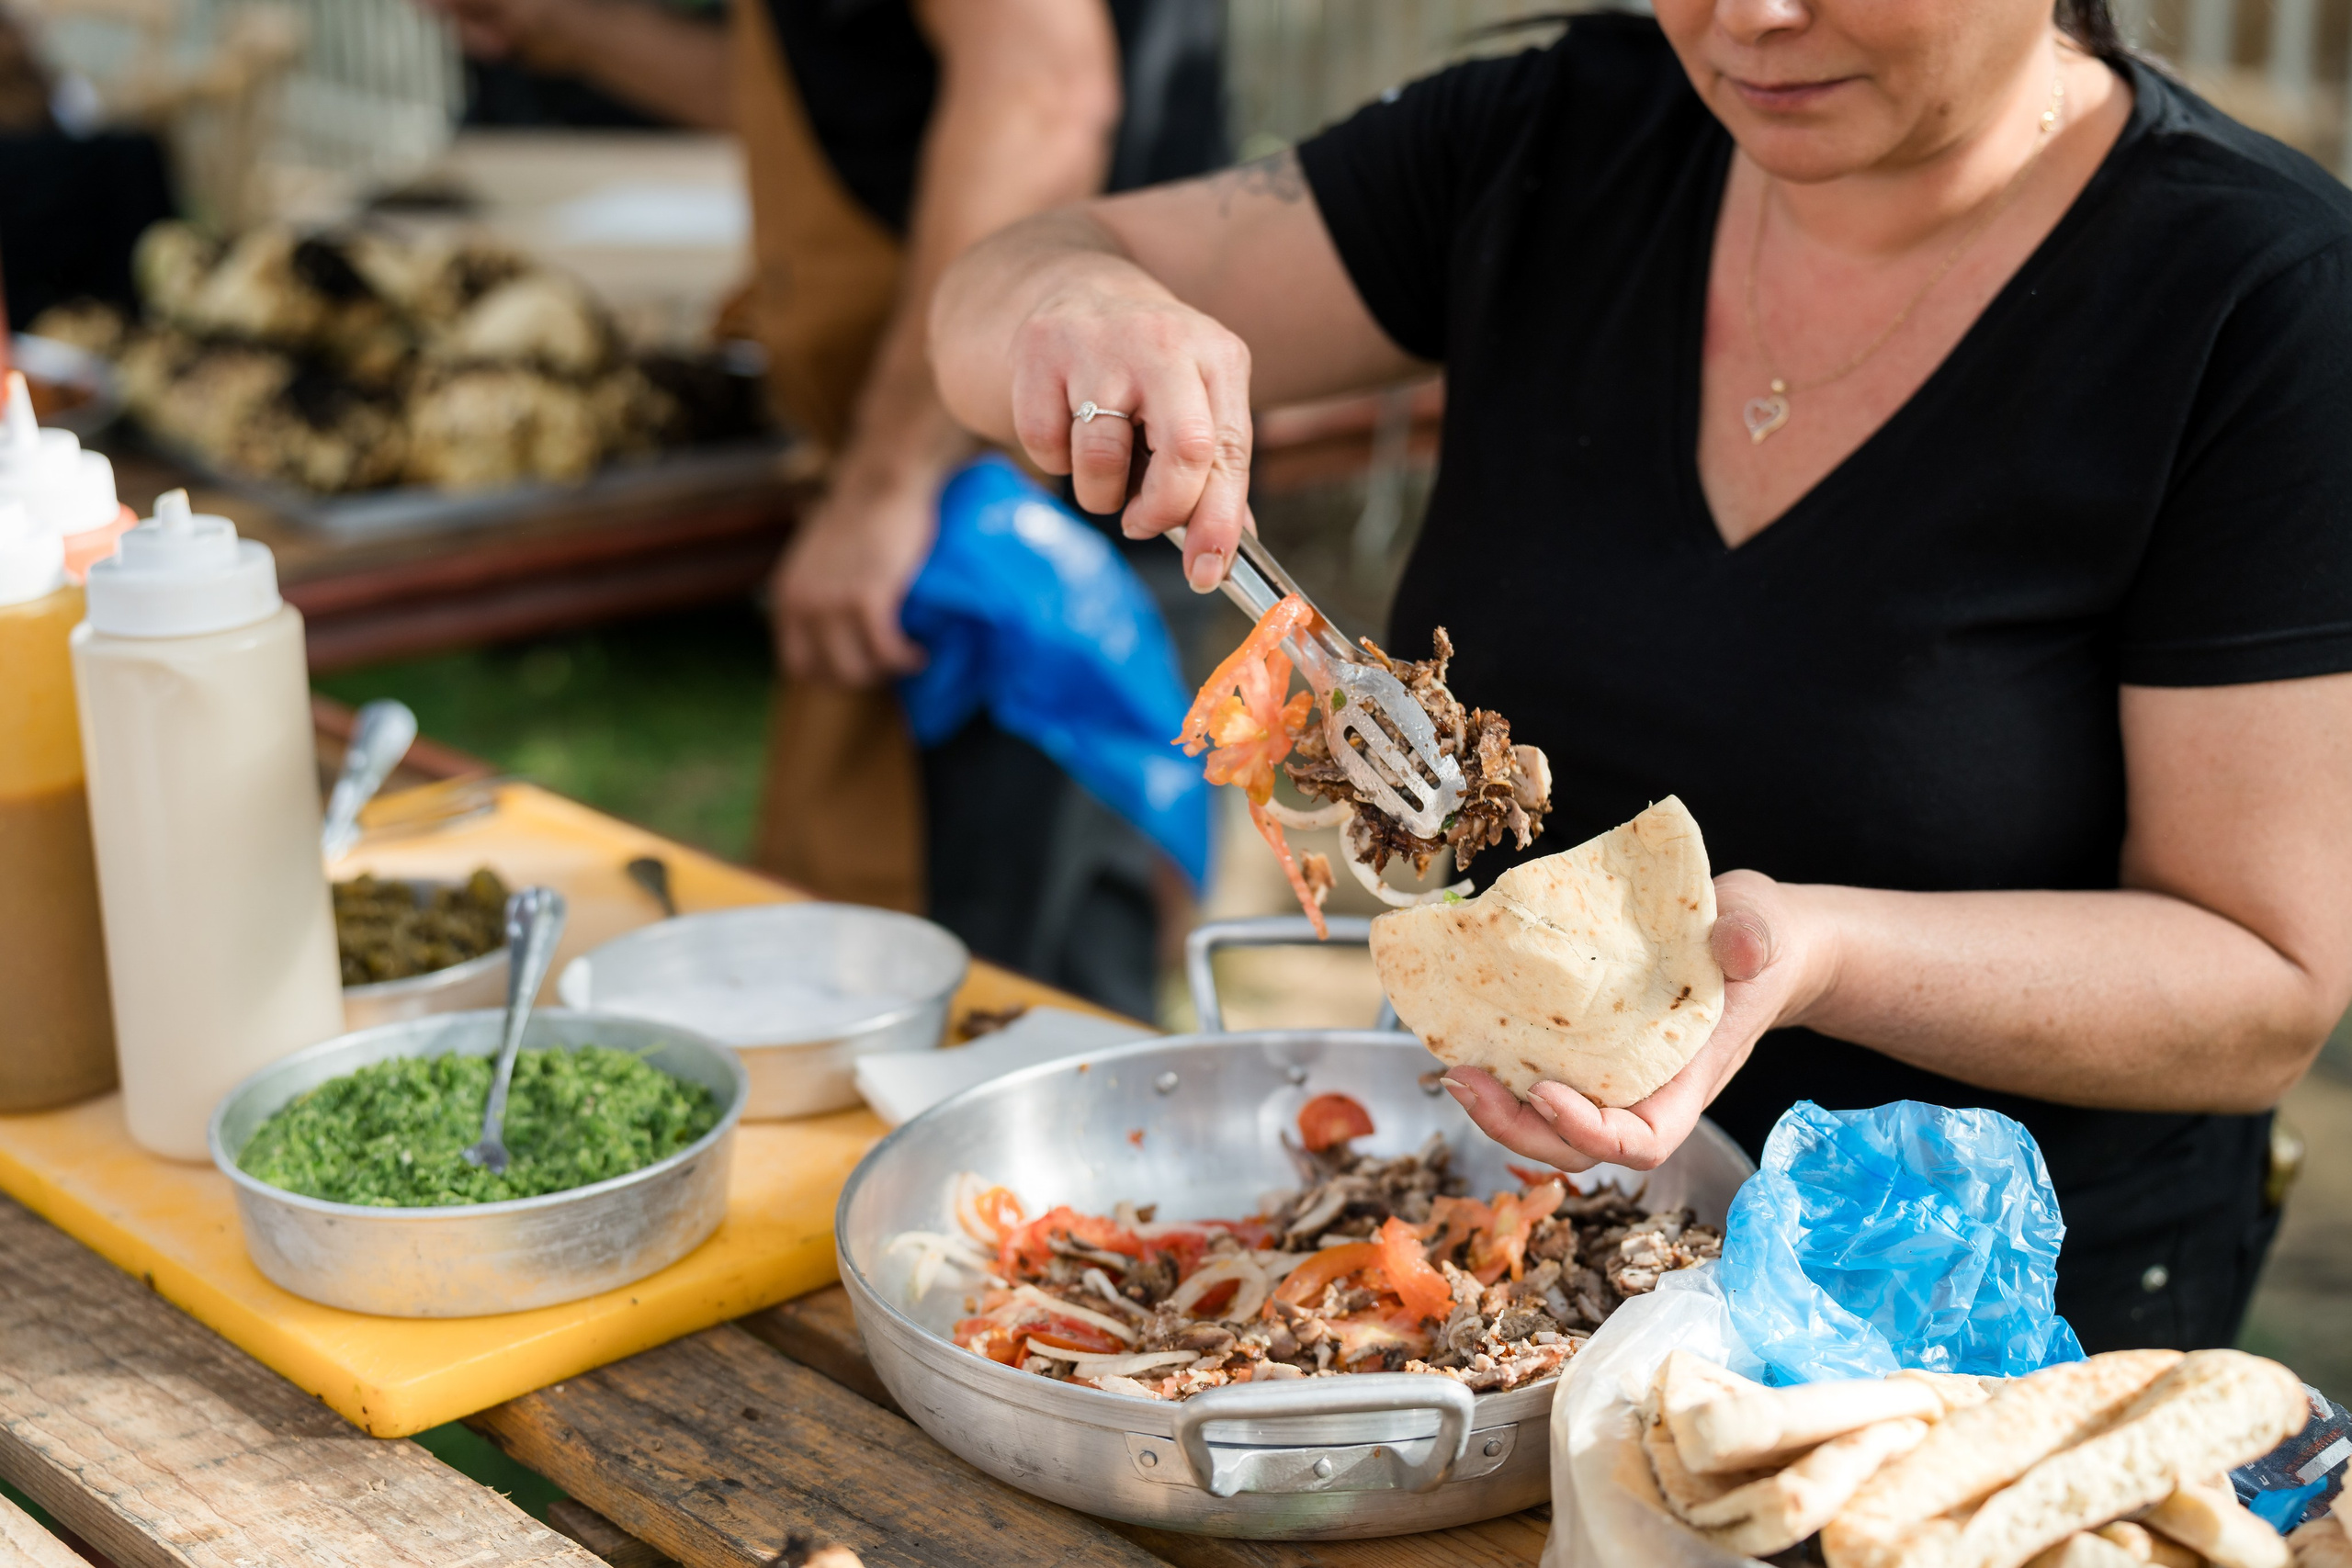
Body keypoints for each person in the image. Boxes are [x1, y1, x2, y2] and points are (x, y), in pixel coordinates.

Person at [930, 0, 2352, 1351]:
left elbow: (2263, 987)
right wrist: (1081, 297)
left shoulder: (2265, 302)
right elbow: (1011, 276)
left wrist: (1817, 956)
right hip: (1505, 1252)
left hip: (1970, 1320)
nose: (1751, 21)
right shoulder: (1561, 136)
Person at [418, 0, 1225, 1018]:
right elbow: (838, 107)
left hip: (1027, 534)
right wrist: (564, 29)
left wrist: (887, 484)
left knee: (1022, 1012)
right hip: (922, 495)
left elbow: (1043, 95)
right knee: (878, 990)